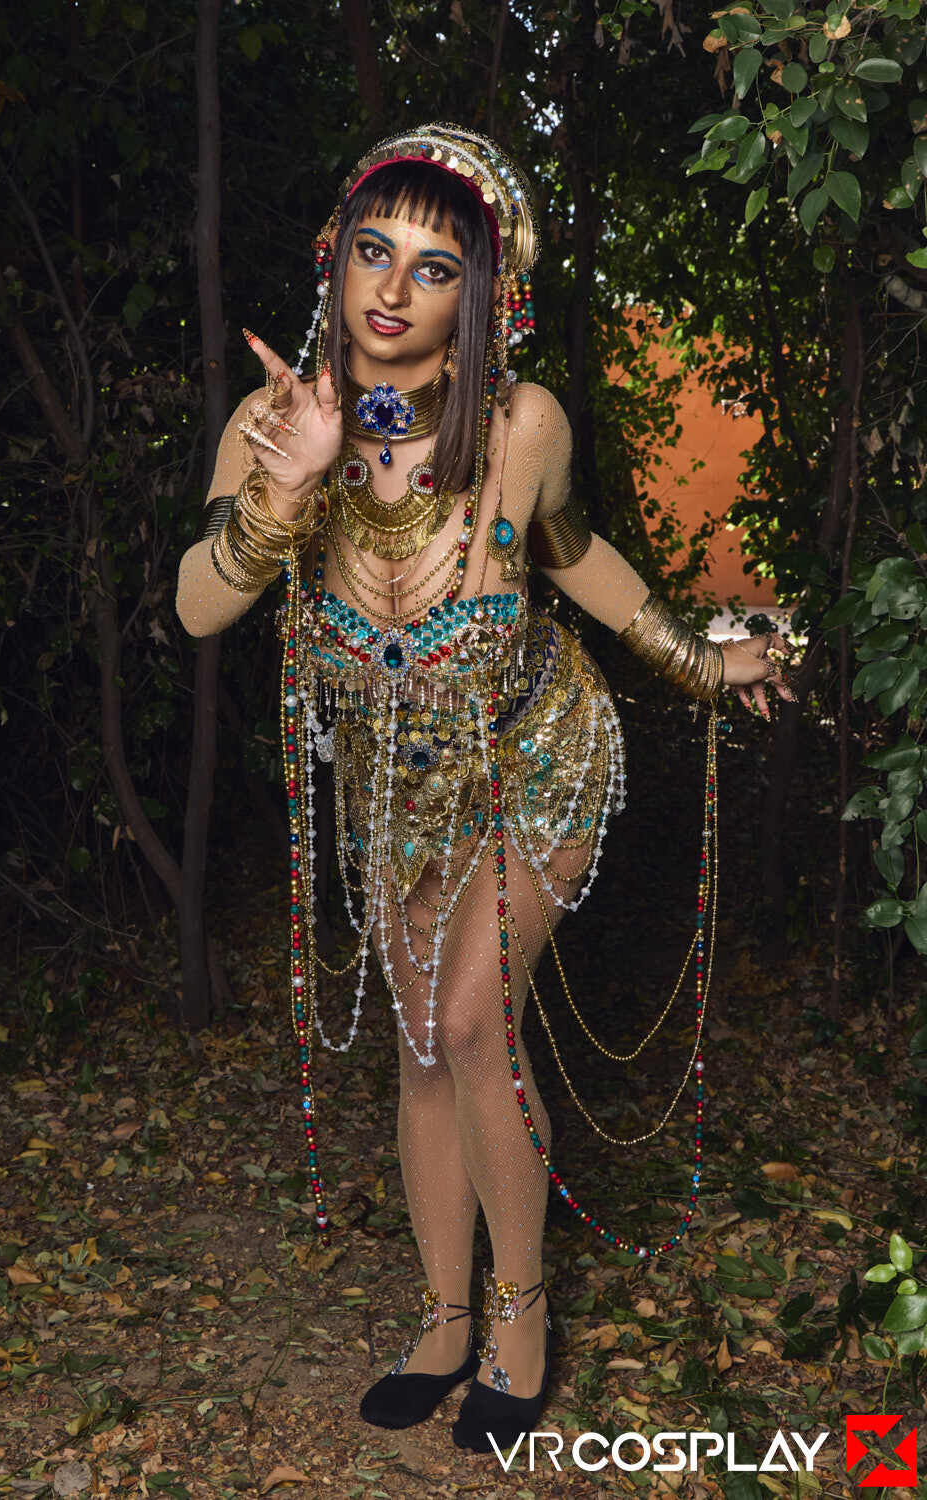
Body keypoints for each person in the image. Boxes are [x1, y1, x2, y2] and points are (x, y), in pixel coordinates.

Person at [176, 123, 793, 1452]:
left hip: (536, 756)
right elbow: (198, 607)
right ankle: (445, 1318)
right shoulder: (273, 427)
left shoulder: (523, 425)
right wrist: (283, 497)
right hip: (399, 787)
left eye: (435, 266)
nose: (394, 289)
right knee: (416, 1044)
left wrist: (703, 663)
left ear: (481, 295)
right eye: (373, 251)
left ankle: (522, 1311)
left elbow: (578, 557)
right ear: (332, 259)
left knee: (467, 1021)